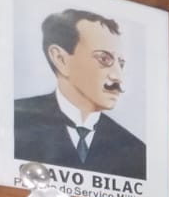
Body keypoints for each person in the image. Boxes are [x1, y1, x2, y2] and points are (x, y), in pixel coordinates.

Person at [14, 9, 147, 179]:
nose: (118, 77)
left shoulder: (135, 151)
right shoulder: (13, 122)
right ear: (61, 59)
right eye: (104, 59)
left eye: (120, 64)